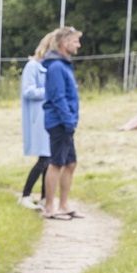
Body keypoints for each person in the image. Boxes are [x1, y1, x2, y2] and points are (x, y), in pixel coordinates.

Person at [40, 26, 84, 220]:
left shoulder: (64, 65)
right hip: (59, 122)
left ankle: (64, 205)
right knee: (56, 163)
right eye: (75, 41)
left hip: (66, 122)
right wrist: (68, 121)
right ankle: (50, 208)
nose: (78, 45)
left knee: (71, 163)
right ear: (65, 43)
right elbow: (58, 98)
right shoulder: (57, 67)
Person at [17, 32, 54, 209]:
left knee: (49, 159)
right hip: (37, 118)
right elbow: (28, 91)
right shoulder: (32, 66)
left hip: (48, 118)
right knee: (45, 159)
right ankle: (25, 195)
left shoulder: (48, 67)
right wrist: (52, 91)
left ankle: (44, 197)